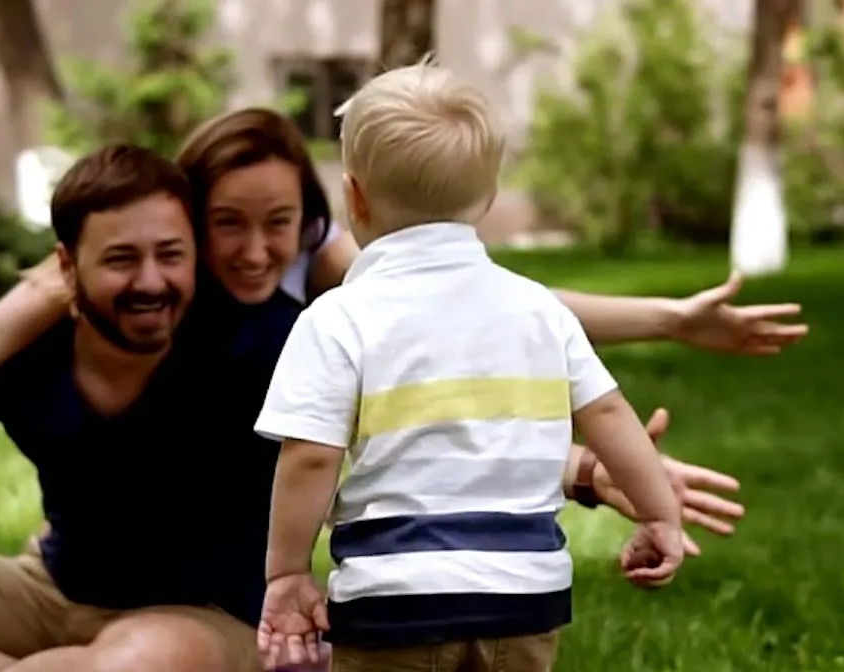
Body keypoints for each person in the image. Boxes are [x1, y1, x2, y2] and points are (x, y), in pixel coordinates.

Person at [0, 111, 776, 670]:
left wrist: (598, 468)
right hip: (48, 590)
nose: (158, 279)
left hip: (194, 627)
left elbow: (452, 366)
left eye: (176, 252)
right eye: (124, 259)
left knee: (136, 668)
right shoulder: (27, 339)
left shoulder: (280, 337)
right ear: (65, 268)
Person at [253, 64, 685, 672]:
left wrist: (287, 571)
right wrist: (659, 513)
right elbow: (608, 412)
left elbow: (311, 456)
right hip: (525, 602)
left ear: (354, 196)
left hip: (394, 604)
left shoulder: (337, 319)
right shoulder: (540, 308)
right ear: (488, 197)